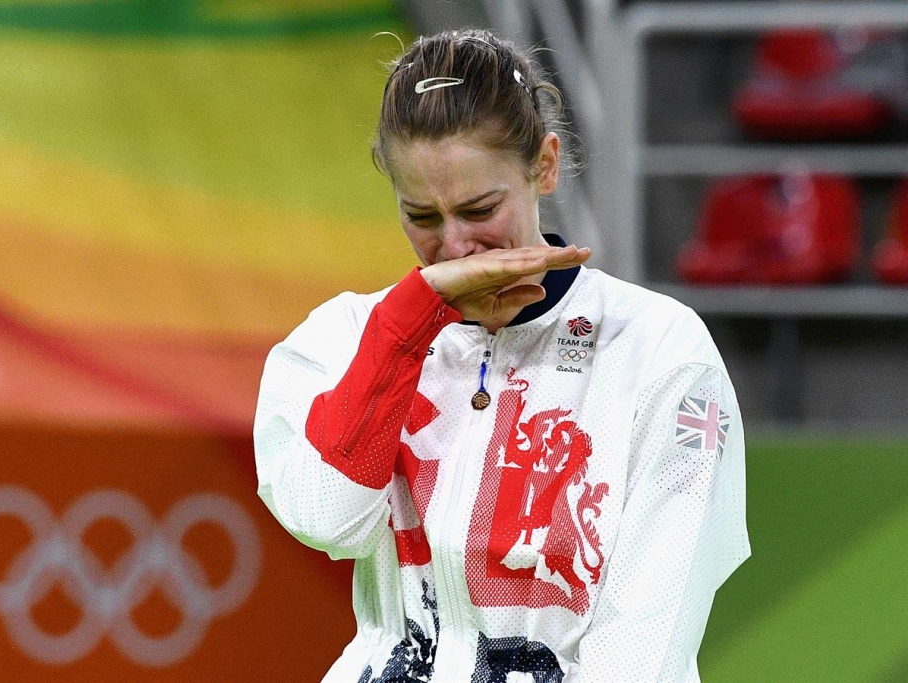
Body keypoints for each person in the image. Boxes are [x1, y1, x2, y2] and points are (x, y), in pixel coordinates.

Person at [254, 28, 750, 682]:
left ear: (544, 165)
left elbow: (642, 651)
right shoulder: (348, 334)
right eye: (421, 217)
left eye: (479, 208)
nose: (456, 246)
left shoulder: (660, 351)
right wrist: (405, 326)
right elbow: (326, 520)